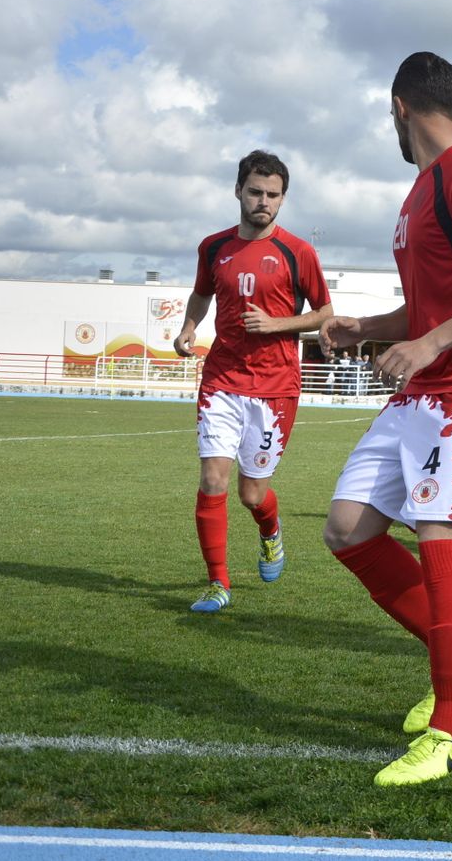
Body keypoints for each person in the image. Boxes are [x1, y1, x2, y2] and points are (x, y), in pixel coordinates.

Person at [320, 52, 452, 785]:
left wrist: (430, 342)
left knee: (439, 530)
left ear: (398, 107)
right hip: (423, 387)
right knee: (348, 530)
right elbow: (431, 305)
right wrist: (372, 329)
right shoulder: (422, 191)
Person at [174, 150, 333, 614]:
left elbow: (325, 313)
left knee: (252, 493)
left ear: (283, 199)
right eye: (256, 192)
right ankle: (218, 583)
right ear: (238, 191)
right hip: (222, 378)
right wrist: (189, 327)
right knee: (212, 479)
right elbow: (201, 294)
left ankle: (270, 530)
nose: (264, 201)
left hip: (275, 386)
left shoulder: (297, 251)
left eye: (273, 195)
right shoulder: (212, 247)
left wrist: (278, 324)